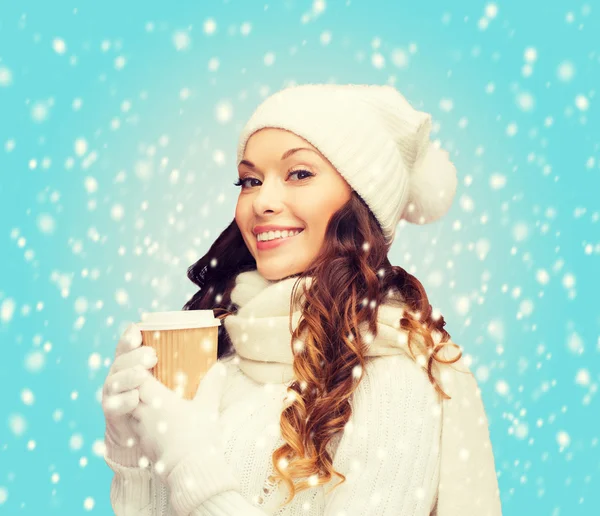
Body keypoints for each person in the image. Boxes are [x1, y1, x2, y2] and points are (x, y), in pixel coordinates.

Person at [102, 84, 503, 515]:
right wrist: (132, 450)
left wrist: (186, 461)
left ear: (360, 203)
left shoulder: (394, 377)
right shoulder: (227, 356)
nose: (263, 202)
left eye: (299, 174)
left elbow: (192, 479)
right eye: (250, 180)